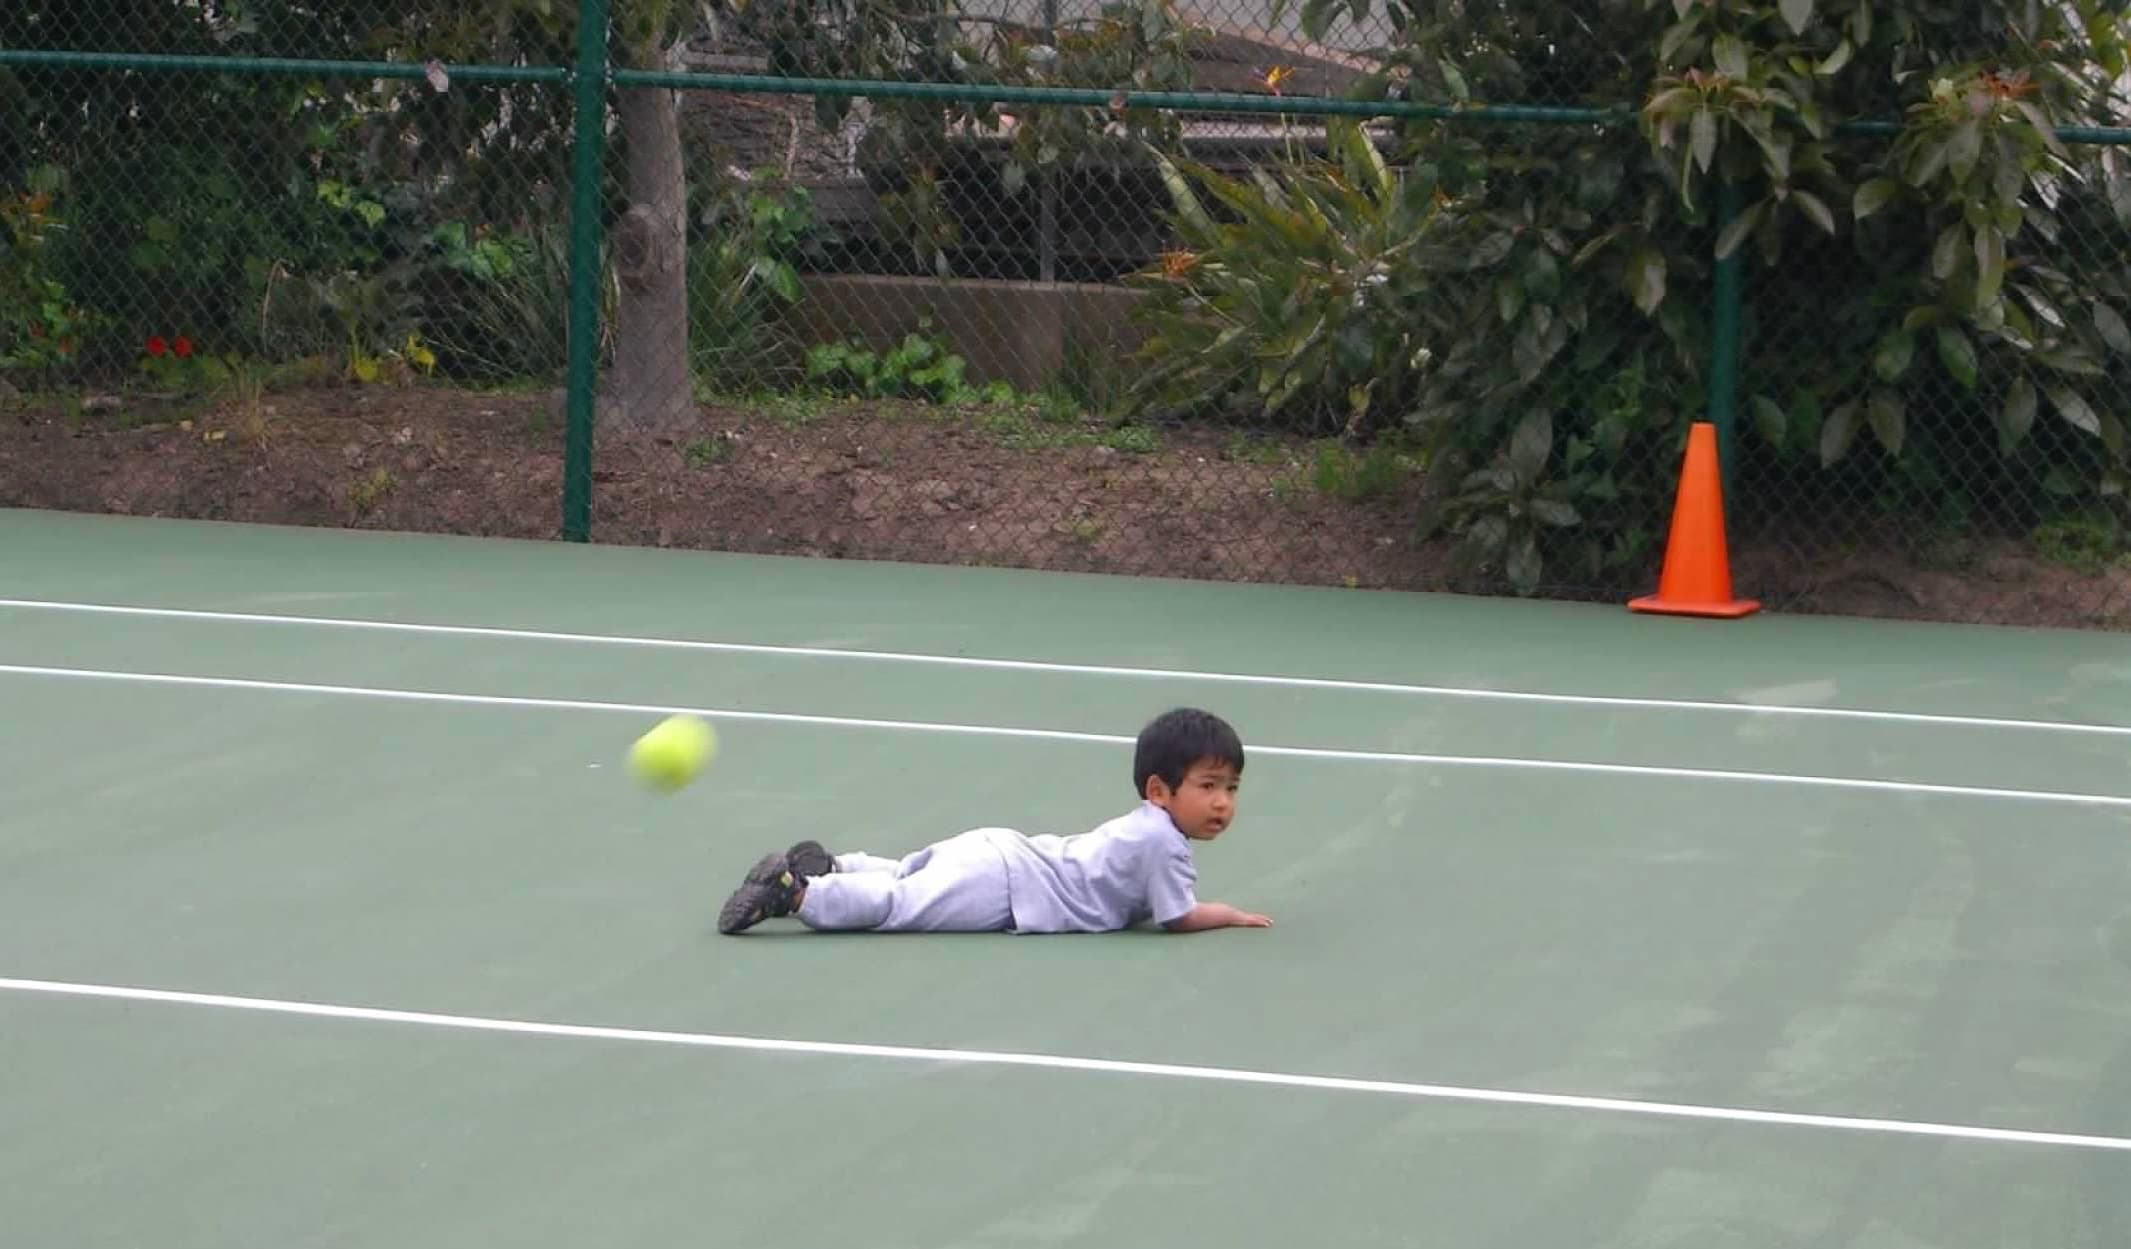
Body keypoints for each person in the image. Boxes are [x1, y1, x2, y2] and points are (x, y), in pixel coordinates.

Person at [715, 707, 1273, 936]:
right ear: (1159, 791)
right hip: (1007, 888)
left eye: (1230, 789)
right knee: (901, 906)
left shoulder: (1148, 827)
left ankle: (838, 865)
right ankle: (797, 895)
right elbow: (1177, 919)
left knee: (908, 873)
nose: (1222, 802)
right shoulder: (1163, 844)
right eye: (1208, 787)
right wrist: (1232, 915)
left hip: (1000, 853)